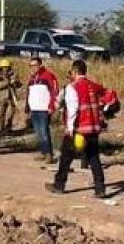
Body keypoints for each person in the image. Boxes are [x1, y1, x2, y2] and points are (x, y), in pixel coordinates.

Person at [48, 59, 108, 199]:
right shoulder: (94, 86)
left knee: (66, 157)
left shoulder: (72, 87)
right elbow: (106, 98)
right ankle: (100, 188)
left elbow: (73, 109)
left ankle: (59, 185)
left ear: (74, 72)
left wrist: (69, 128)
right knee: (94, 158)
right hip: (93, 128)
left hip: (79, 128)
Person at [25, 57, 60, 162]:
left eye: (35, 65)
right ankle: (43, 152)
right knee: (38, 131)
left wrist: (51, 106)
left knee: (44, 131)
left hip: (44, 108)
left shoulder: (48, 75)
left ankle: (49, 153)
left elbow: (54, 91)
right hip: (34, 108)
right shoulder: (32, 79)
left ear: (40, 65)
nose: (33, 67)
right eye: (31, 65)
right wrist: (27, 106)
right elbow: (29, 93)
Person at [0, 59, 22, 136]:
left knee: (10, 114)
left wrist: (15, 83)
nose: (5, 69)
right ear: (1, 67)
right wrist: (7, 82)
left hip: (11, 97)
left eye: (7, 67)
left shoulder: (14, 74)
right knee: (0, 114)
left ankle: (8, 129)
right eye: (4, 67)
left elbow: (19, 84)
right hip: (1, 97)